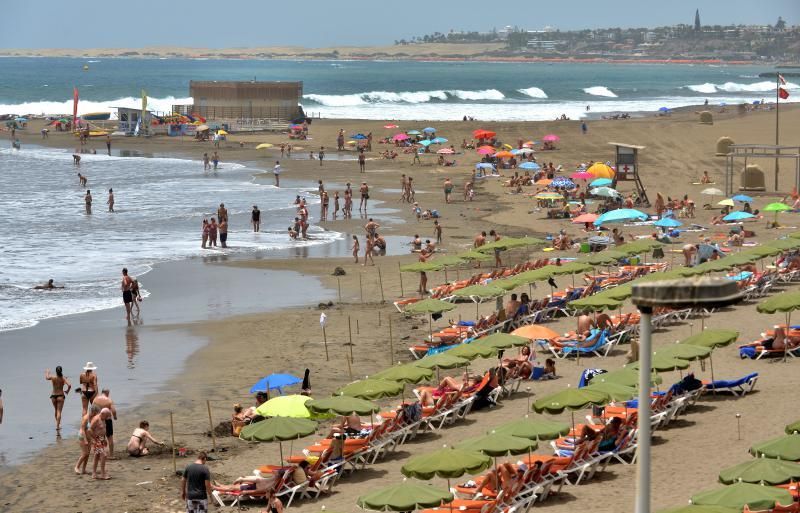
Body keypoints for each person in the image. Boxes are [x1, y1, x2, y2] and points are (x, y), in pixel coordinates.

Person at [45, 366, 71, 431]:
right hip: (60, 396)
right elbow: (69, 385)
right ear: (61, 371)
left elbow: (47, 378)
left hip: (53, 396)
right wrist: (67, 391)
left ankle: (58, 425)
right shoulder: (63, 378)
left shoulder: (53, 377)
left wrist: (47, 372)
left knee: (56, 410)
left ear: (56, 371)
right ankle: (57, 426)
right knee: (59, 411)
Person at [89, 408, 113, 480]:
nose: (107, 418)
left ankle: (94, 473)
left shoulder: (103, 418)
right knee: (104, 455)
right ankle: (102, 474)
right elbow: (89, 429)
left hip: (102, 439)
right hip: (97, 439)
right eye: (106, 416)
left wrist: (104, 438)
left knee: (97, 456)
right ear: (102, 414)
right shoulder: (96, 419)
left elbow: (103, 429)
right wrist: (94, 439)